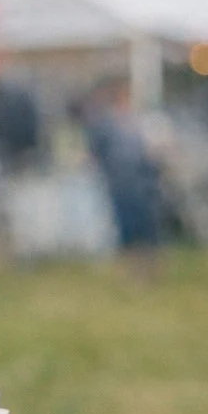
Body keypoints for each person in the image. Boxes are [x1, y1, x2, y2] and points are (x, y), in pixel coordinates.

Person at [79, 76, 166, 281]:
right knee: (126, 228)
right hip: (120, 183)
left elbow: (156, 152)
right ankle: (132, 270)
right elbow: (96, 152)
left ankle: (151, 268)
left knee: (148, 227)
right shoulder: (106, 124)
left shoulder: (143, 122)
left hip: (145, 184)